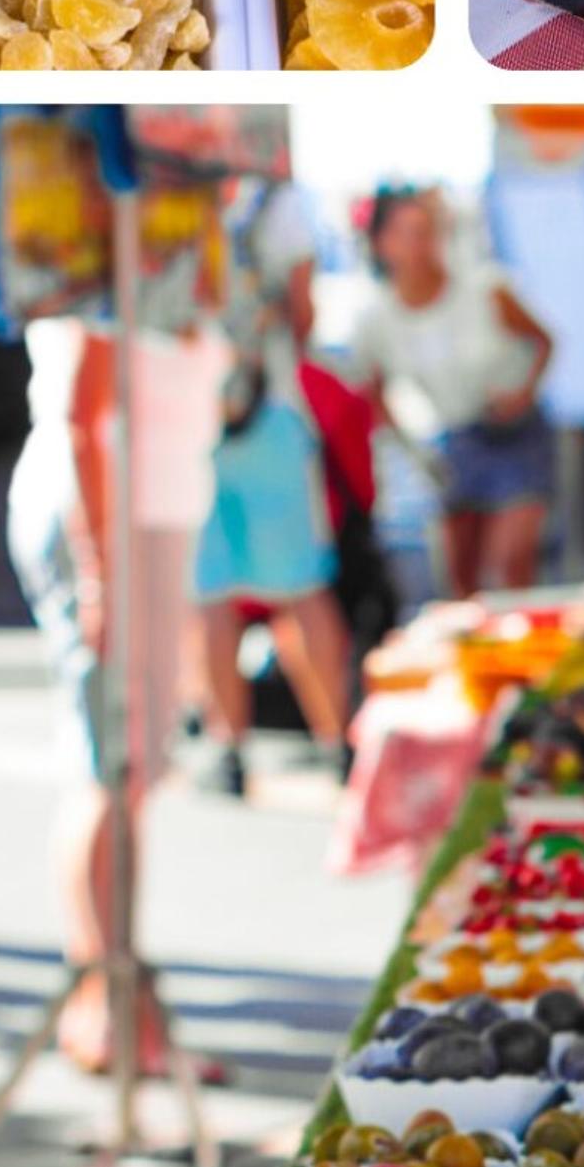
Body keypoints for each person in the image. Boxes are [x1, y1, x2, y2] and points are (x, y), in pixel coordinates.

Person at [9, 243, 228, 1076]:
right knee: (111, 761)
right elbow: (79, 420)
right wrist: (99, 569)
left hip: (154, 519)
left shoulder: (174, 253)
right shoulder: (101, 257)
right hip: (107, 527)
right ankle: (107, 999)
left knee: (131, 767)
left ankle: (112, 997)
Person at [196, 224, 359, 793]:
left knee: (211, 597)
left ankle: (228, 750)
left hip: (194, 419)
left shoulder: (153, 193)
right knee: (300, 591)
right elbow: (303, 319)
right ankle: (339, 743)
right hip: (272, 420)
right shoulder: (274, 206)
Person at [346, 182, 555, 599]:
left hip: (513, 436)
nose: (420, 245)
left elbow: (544, 341)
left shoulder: (484, 289)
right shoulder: (376, 319)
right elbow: (373, 393)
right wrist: (411, 450)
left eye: (426, 231)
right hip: (453, 444)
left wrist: (524, 392)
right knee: (462, 580)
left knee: (510, 563)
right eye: (407, 233)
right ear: (383, 244)